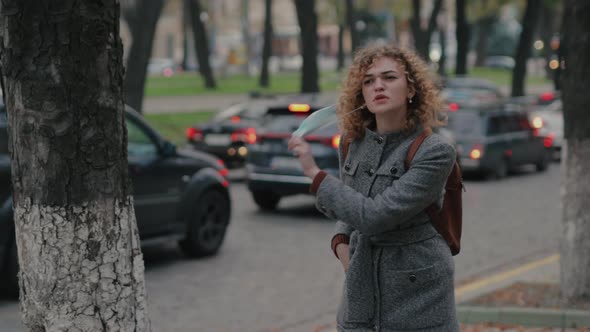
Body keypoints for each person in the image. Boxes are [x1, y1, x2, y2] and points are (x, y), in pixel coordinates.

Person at [288, 43, 459, 331]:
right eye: (369, 81)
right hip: (360, 288)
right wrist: (342, 245)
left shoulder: (435, 151)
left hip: (418, 291)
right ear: (362, 93)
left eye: (389, 78)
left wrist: (314, 174)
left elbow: (376, 216)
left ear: (411, 89)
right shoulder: (351, 142)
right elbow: (348, 207)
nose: (378, 86)